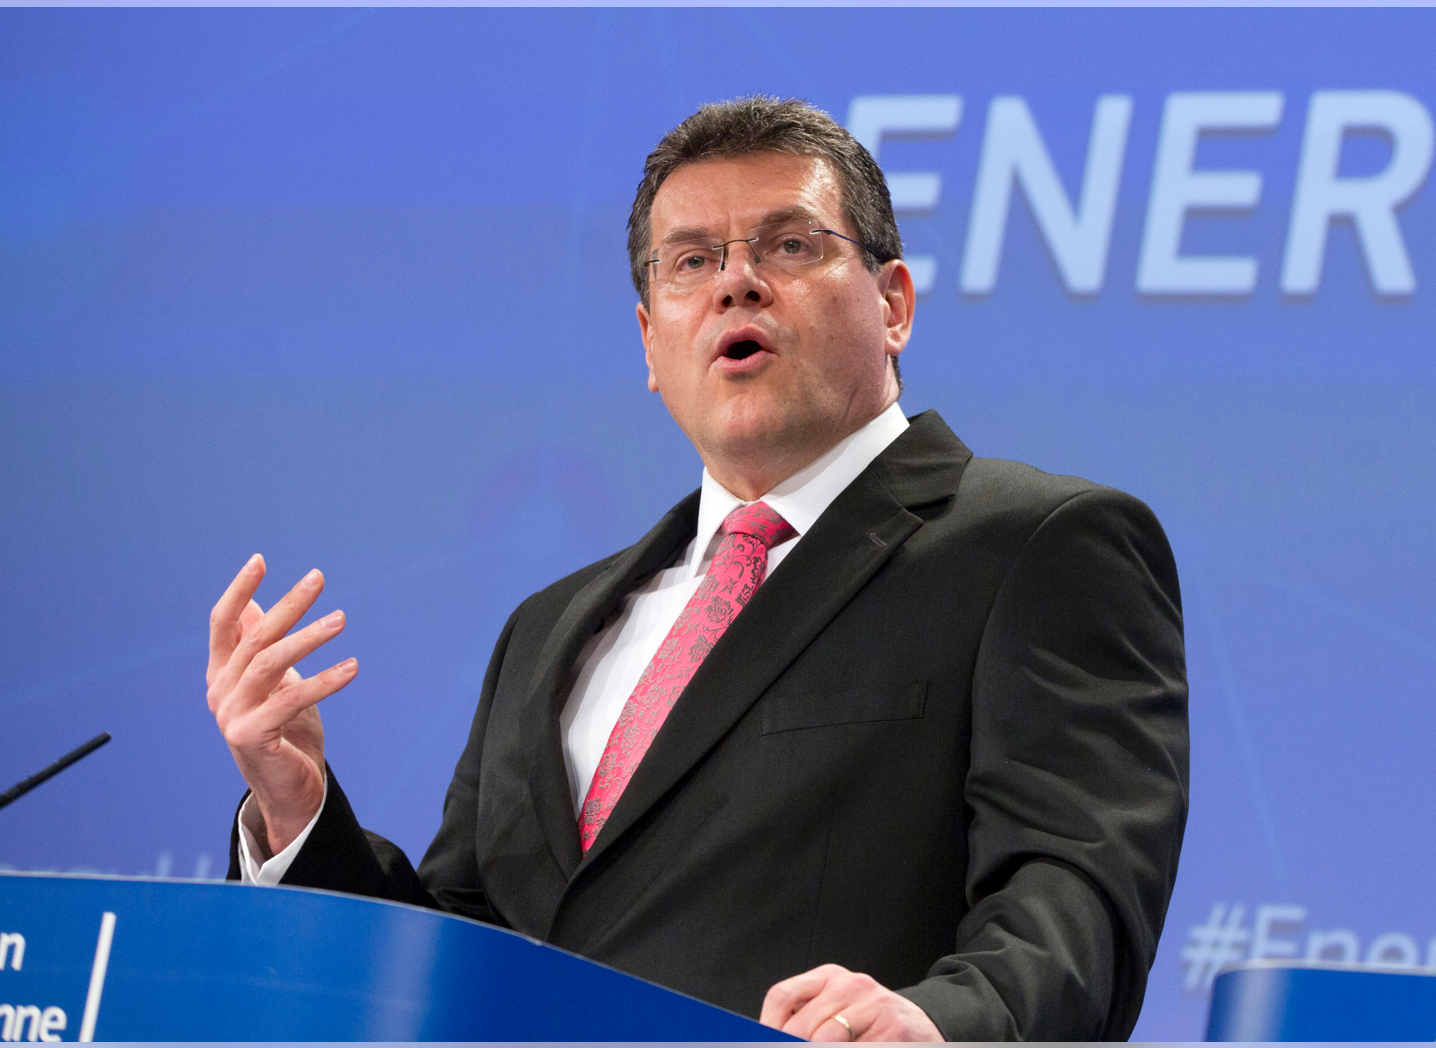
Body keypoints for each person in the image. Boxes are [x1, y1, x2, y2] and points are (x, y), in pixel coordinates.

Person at [205, 96, 1187, 1042]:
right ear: (647, 341)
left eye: (789, 245)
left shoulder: (1036, 543)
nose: (736, 283)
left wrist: (936, 1022)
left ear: (893, 304)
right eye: (690, 261)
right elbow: (455, 958)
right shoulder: (549, 629)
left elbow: (1074, 891)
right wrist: (298, 811)